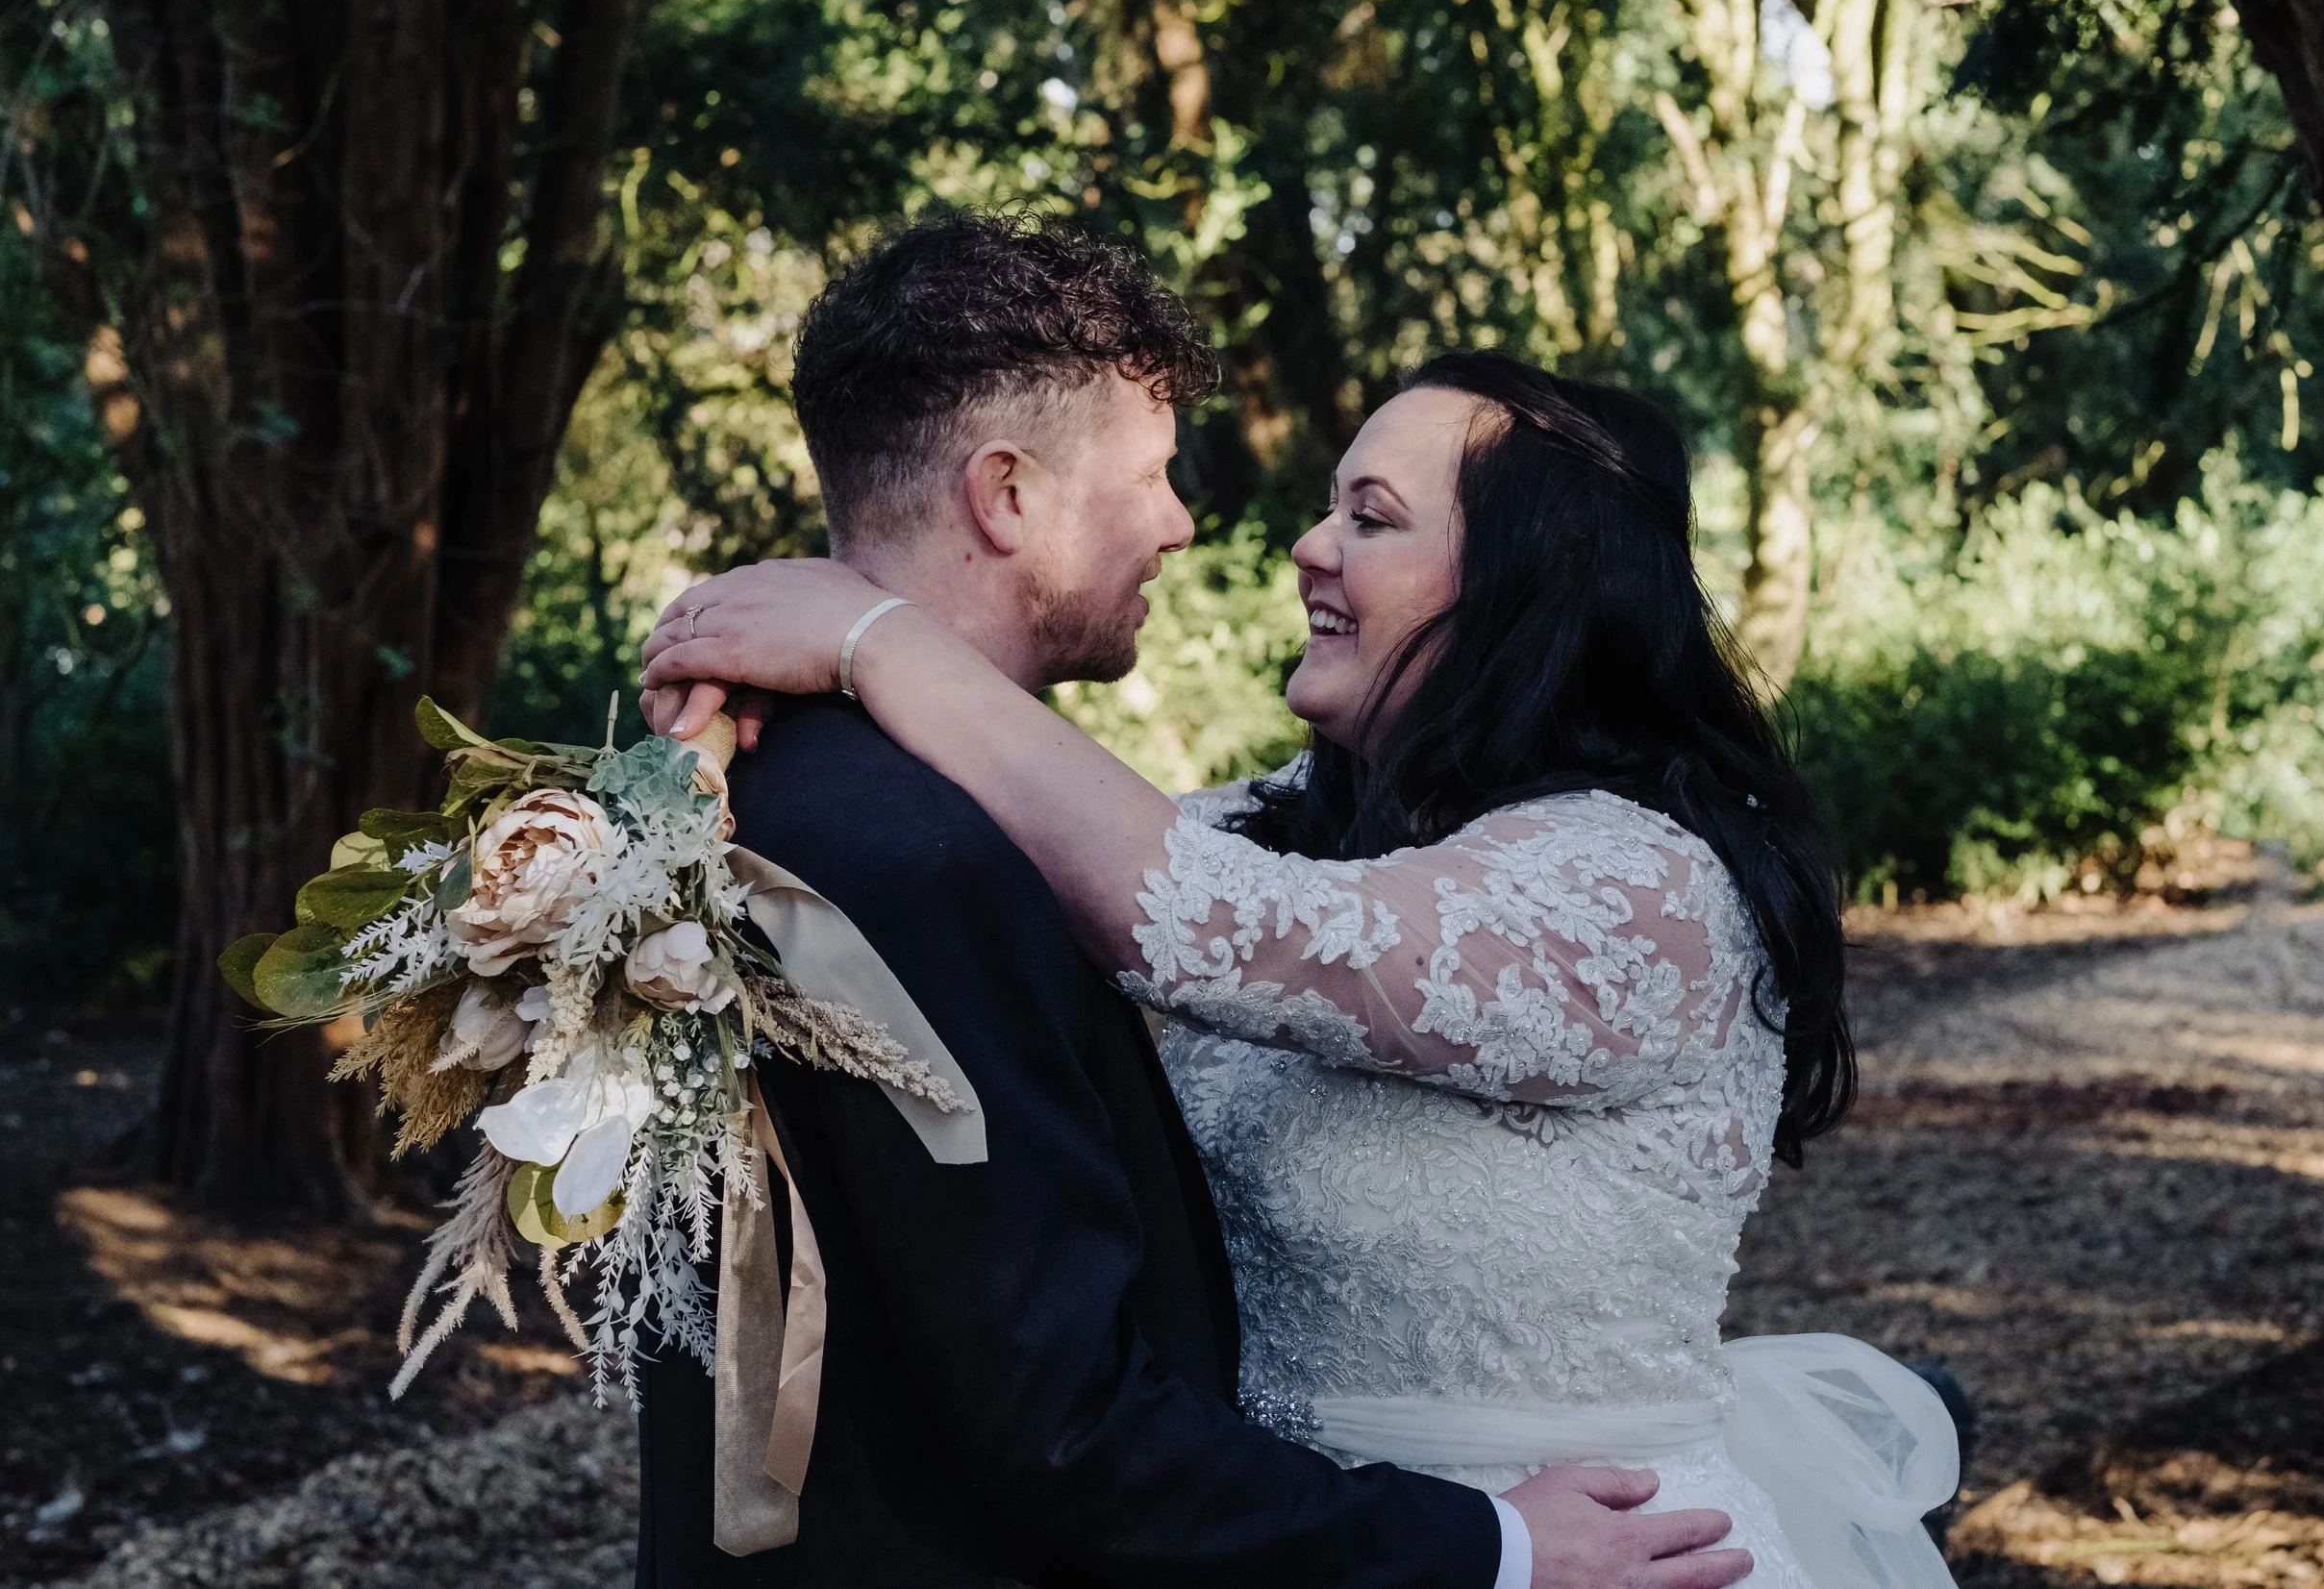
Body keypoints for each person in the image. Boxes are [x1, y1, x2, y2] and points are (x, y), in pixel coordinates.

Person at [631, 214, 1758, 1589]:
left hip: (1596, 1543)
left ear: (1530, 587)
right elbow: (1055, 1414)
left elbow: (1187, 903)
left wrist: (869, 633)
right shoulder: (971, 847)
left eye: (1371, 516)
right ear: (1004, 495)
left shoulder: (1631, 889)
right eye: (1160, 477)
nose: (1274, 539)